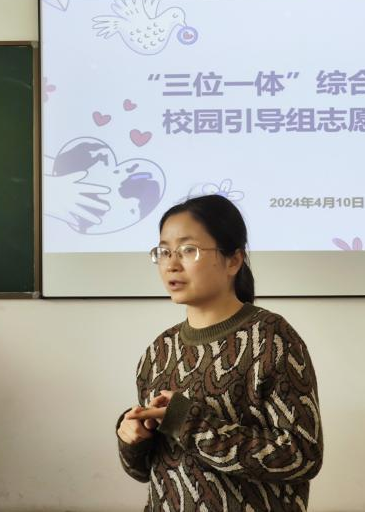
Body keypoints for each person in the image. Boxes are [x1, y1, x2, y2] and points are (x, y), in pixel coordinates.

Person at [116, 195, 323, 511]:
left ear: (233, 260)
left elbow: (302, 456)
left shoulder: (271, 337)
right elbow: (144, 472)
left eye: (188, 250)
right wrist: (133, 439)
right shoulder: (158, 351)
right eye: (164, 251)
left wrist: (187, 421)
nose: (171, 263)